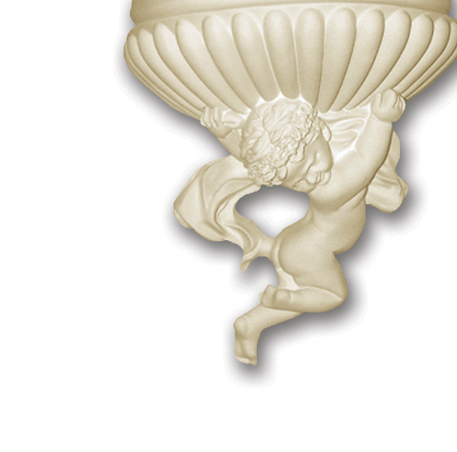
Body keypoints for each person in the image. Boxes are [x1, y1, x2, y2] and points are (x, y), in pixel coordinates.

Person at [174, 90, 407, 365]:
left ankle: (250, 324)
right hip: (311, 251)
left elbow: (248, 158)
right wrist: (381, 119)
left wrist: (224, 134)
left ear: (321, 131)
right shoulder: (336, 185)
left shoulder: (318, 172)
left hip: (296, 245)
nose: (313, 177)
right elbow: (366, 156)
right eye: (299, 183)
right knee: (333, 295)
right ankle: (286, 299)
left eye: (313, 160)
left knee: (307, 291)